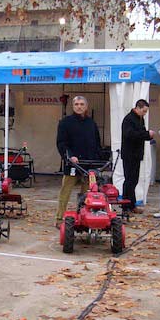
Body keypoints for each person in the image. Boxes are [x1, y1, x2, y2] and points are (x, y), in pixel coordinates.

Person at [55, 96, 101, 226]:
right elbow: (61, 143)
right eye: (76, 104)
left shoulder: (92, 124)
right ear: (73, 106)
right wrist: (69, 156)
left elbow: (97, 144)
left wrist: (97, 161)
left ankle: (84, 218)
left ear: (86, 106)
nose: (79, 106)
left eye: (81, 104)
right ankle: (59, 219)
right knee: (65, 192)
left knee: (87, 194)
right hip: (73, 165)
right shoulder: (65, 122)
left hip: (89, 166)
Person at [120, 99, 155, 214]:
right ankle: (125, 205)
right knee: (129, 180)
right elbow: (130, 135)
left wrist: (148, 136)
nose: (145, 113)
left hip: (137, 154)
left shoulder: (141, 119)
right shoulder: (128, 119)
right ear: (138, 108)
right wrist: (146, 134)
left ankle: (131, 204)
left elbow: (141, 134)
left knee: (134, 180)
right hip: (129, 154)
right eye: (144, 111)